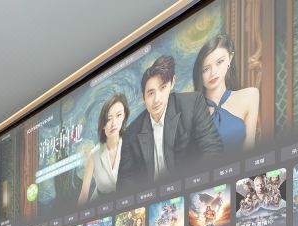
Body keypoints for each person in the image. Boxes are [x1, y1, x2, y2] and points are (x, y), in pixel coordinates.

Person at [118, 56, 223, 189]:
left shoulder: (192, 104)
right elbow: (125, 181)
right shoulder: (131, 132)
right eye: (151, 93)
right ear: (143, 97)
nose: (157, 99)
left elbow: (212, 148)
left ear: (172, 83)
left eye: (163, 87)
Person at [193, 34, 260, 151]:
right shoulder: (192, 112)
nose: (213, 72)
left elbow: (249, 149)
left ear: (230, 58)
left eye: (219, 62)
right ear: (199, 73)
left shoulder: (250, 95)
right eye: (205, 69)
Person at [78, 93, 130, 205]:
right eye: (109, 119)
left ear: (124, 116)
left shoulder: (130, 144)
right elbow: (83, 194)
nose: (114, 123)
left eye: (119, 115)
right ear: (103, 124)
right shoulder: (94, 155)